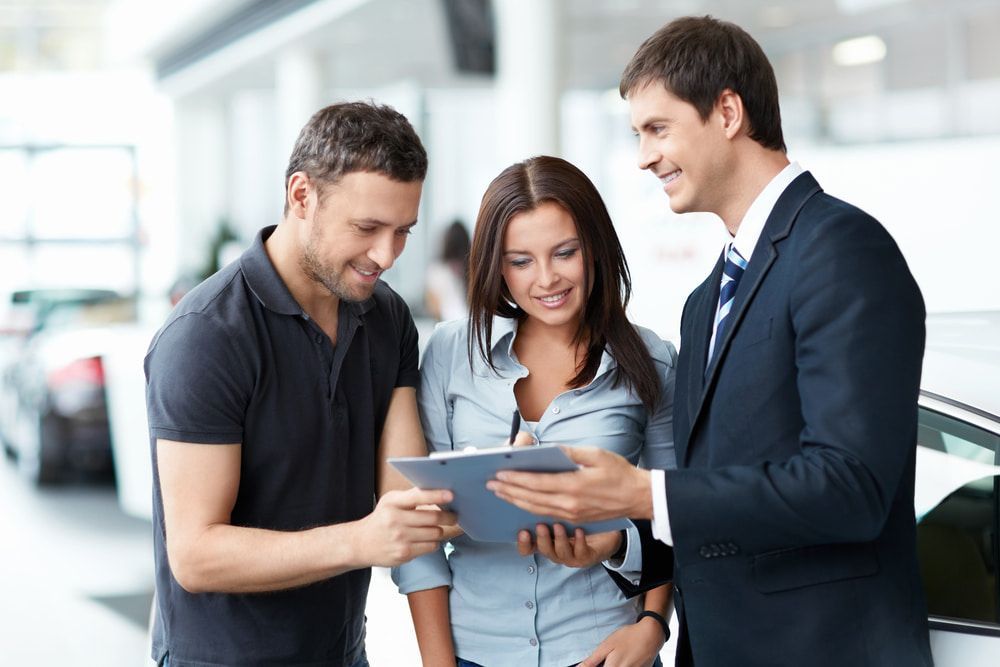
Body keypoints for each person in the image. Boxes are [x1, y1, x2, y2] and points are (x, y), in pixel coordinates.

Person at [488, 16, 933, 667]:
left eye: (658, 128)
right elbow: (709, 495)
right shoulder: (705, 303)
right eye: (638, 134)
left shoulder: (840, 250)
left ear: (727, 111)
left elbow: (851, 485)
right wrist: (613, 539)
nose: (644, 156)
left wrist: (643, 491)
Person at [144, 101, 457, 667]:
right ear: (301, 196)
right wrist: (363, 540)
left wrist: (499, 485)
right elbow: (194, 555)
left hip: (342, 653)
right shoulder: (207, 336)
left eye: (403, 231)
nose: (386, 255)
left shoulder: (387, 318)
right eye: (366, 228)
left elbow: (402, 495)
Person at [394, 155, 677, 667]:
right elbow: (419, 537)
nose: (546, 279)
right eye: (520, 261)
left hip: (603, 649)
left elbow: (673, 510)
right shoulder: (450, 352)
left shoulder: (651, 361)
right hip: (475, 650)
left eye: (564, 252)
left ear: (595, 247)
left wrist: (652, 627)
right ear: (495, 266)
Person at [424, 219, 471, 321]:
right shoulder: (474, 268)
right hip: (472, 324)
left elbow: (433, 307)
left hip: (447, 323)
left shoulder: (436, 270)